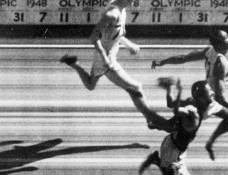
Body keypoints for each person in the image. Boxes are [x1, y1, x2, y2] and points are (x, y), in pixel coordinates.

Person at [60, 0, 167, 128]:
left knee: (90, 85)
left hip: (104, 57)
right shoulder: (112, 14)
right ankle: (151, 119)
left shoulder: (121, 10)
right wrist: (105, 58)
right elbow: (94, 37)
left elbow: (116, 34)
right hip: (107, 60)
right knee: (136, 87)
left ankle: (74, 63)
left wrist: (129, 45)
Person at [151, 29, 228, 160]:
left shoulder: (209, 51)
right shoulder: (222, 64)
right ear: (220, 44)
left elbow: (184, 58)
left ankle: (208, 143)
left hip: (203, 94)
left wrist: (163, 62)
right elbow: (220, 97)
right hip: (208, 101)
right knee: (182, 129)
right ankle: (160, 124)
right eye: (227, 37)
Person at [138, 78, 228, 175]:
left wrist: (170, 89)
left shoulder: (199, 105)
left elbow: (171, 105)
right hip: (172, 151)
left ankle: (160, 164)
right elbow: (175, 110)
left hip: (178, 149)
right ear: (201, 98)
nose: (213, 93)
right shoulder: (192, 112)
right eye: (209, 92)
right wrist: (177, 91)